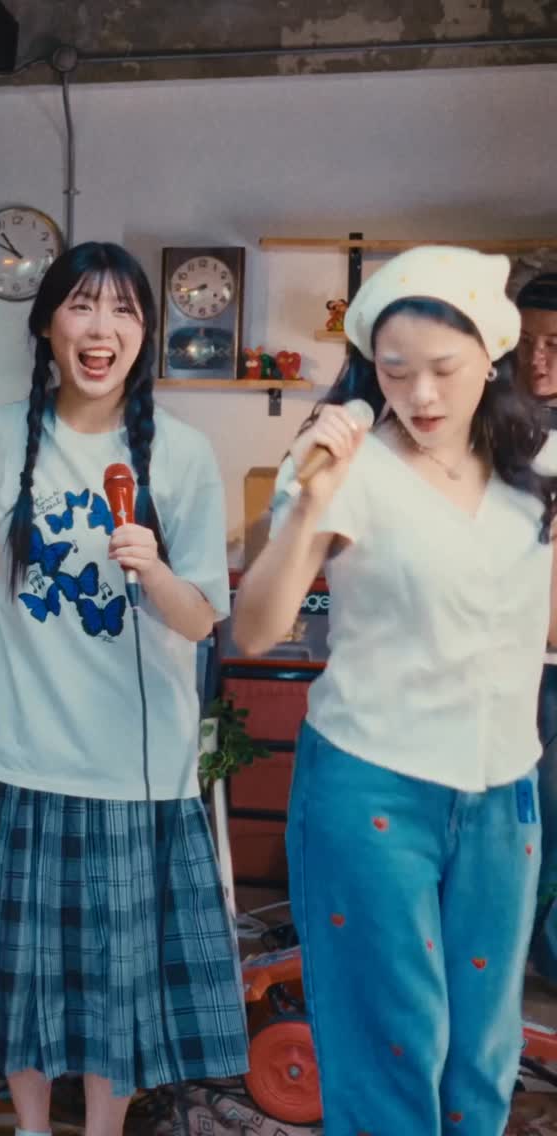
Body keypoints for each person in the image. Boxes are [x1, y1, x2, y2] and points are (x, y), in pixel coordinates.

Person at [0, 242, 248, 1136]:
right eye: (81, 307)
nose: (102, 329)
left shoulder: (181, 453)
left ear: (144, 333)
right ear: (46, 326)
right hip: (14, 751)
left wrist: (155, 569)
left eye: (124, 311)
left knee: (116, 991)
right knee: (17, 980)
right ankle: (32, 1127)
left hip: (130, 772)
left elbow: (201, 620)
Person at [233, 246, 557, 1136]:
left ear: (491, 354)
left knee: (482, 1054)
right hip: (372, 781)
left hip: (502, 788)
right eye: (395, 368)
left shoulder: (538, 466)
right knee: (391, 1045)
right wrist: (308, 504)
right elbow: (254, 628)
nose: (420, 394)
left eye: (444, 368)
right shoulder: (348, 467)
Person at [517, 272, 557, 984]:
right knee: (526, 819)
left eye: (554, 343)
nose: (538, 358)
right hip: (515, 661)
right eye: (525, 341)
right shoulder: (495, 425)